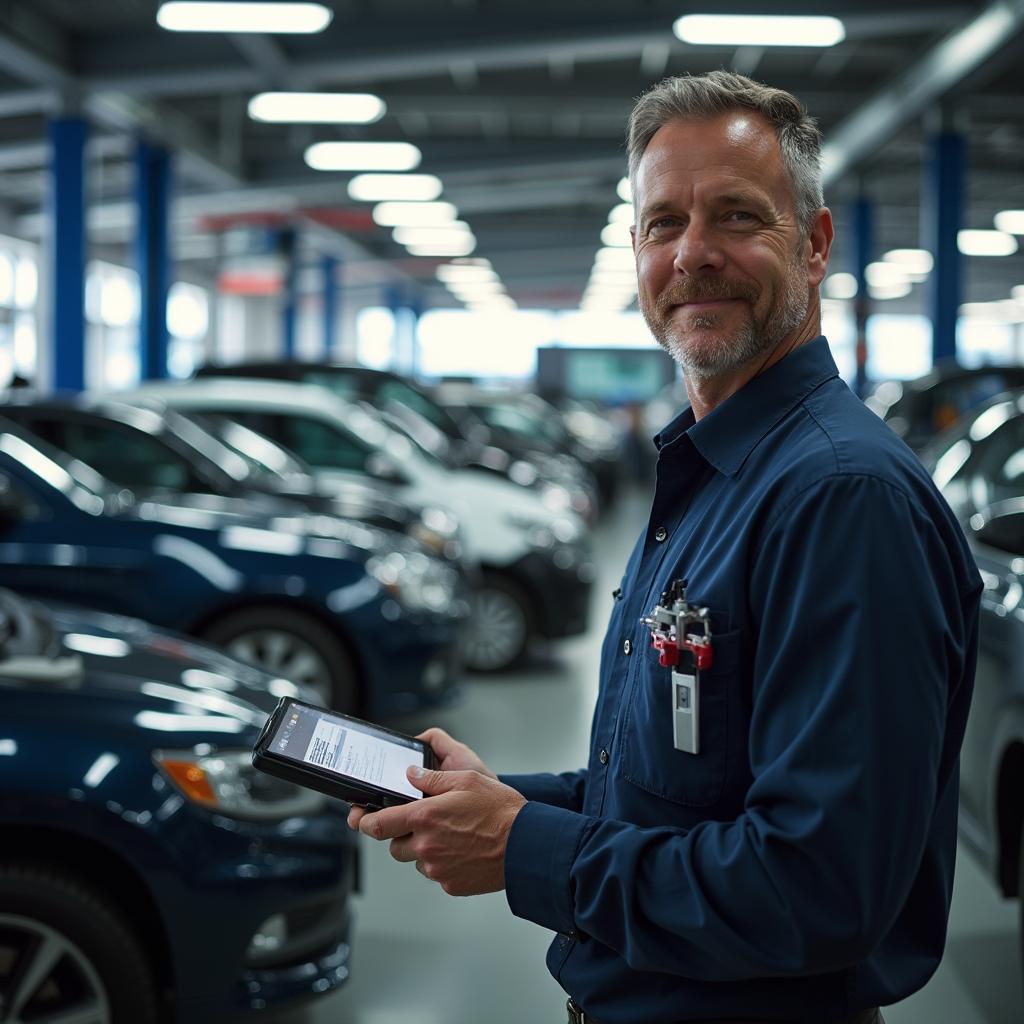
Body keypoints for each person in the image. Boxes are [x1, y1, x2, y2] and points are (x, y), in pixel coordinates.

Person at [349, 71, 982, 1024]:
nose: (694, 254)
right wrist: (492, 802)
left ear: (811, 247)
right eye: (662, 223)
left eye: (737, 217)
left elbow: (817, 890)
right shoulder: (711, 474)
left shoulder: (839, 501)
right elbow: (675, 787)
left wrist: (525, 849)